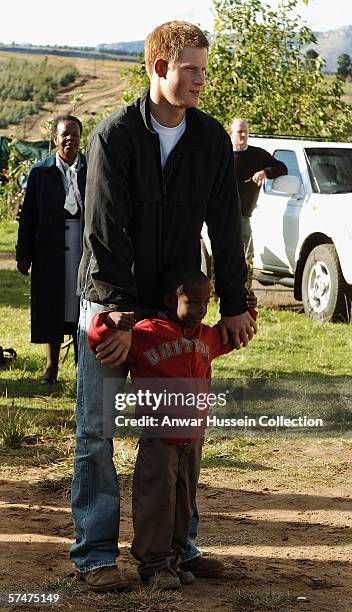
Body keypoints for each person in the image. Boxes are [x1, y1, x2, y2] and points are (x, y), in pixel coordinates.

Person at [72, 21, 257, 592]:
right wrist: (120, 316)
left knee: (176, 435)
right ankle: (97, 554)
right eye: (190, 70)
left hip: (174, 310)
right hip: (112, 303)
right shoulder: (113, 137)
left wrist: (232, 303)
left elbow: (227, 229)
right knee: (98, 429)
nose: (201, 81)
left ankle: (180, 547)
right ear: (158, 68)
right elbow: (103, 232)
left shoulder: (207, 142)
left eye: (204, 69)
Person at [87, 269, 257, 589]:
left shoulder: (206, 337)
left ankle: (176, 559)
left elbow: (230, 334)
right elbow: (97, 337)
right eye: (192, 302)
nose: (200, 310)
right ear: (170, 300)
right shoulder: (147, 332)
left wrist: (247, 309)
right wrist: (109, 321)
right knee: (157, 502)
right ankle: (153, 565)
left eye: (206, 302)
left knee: (184, 501)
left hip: (193, 440)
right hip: (159, 439)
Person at [16, 115, 86, 383]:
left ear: (81, 138)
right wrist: (24, 254)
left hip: (82, 247)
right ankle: (51, 366)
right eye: (64, 134)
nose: (70, 139)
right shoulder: (40, 173)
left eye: (75, 134)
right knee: (53, 305)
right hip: (50, 247)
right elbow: (29, 216)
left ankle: (83, 367)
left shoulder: (91, 170)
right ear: (55, 139)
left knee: (81, 307)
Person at [230, 118, 287, 284]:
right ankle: (216, 293)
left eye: (246, 132)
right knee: (222, 254)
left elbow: (282, 168)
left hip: (243, 216)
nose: (243, 135)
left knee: (246, 255)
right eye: (240, 131)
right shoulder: (221, 153)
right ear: (230, 134)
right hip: (222, 216)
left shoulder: (258, 155)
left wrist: (265, 172)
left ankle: (245, 291)